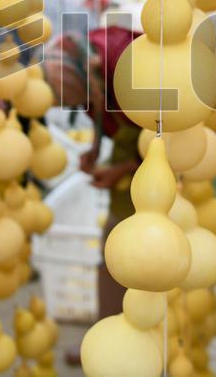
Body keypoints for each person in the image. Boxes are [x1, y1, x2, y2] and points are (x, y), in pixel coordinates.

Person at [43, 23, 142, 323]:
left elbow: (174, 142)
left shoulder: (131, 67)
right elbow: (98, 106)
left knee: (137, 255)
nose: (80, 107)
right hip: (134, 144)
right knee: (114, 251)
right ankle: (110, 330)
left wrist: (125, 169)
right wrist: (96, 148)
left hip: (166, 152)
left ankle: (138, 339)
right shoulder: (83, 61)